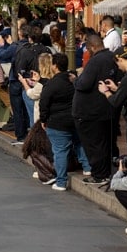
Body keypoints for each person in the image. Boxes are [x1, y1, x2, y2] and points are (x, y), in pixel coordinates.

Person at [38, 53, 91, 191]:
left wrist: (43, 119)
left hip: (57, 122)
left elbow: (44, 104)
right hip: (75, 118)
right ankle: (87, 167)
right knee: (79, 143)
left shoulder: (51, 84)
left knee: (60, 151)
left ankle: (61, 181)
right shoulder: (73, 80)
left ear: (54, 66)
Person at [74, 34, 116, 185]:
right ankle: (106, 172)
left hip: (90, 111)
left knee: (93, 144)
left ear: (92, 47)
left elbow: (83, 84)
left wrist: (76, 80)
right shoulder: (112, 57)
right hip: (106, 108)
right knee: (105, 143)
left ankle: (99, 174)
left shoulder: (95, 61)